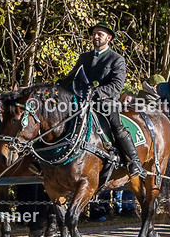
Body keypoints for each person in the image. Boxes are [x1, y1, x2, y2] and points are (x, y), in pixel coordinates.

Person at [59, 22, 144, 177]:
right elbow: (71, 78)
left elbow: (117, 86)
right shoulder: (84, 57)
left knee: (116, 125)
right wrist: (56, 86)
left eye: (100, 34)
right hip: (82, 102)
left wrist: (96, 92)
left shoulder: (116, 59)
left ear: (108, 38)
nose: (96, 36)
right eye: (94, 33)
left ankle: (134, 162)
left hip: (105, 103)